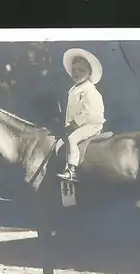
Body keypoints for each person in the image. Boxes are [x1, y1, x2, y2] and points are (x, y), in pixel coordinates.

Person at [57, 48, 106, 182]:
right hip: (80, 124)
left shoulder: (89, 90)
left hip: (92, 124)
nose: (76, 73)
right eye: (74, 70)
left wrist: (73, 124)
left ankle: (71, 170)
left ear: (89, 73)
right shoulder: (74, 89)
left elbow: (87, 113)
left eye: (81, 70)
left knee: (72, 139)